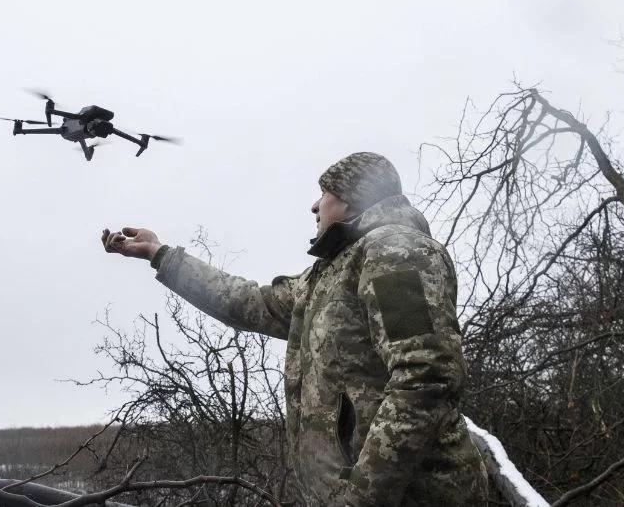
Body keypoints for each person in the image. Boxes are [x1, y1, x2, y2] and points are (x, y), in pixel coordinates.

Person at [101, 152, 491, 507]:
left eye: (323, 194)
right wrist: (159, 254)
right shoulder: (328, 275)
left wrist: (361, 497)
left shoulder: (396, 251)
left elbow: (426, 378)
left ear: (350, 199)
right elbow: (247, 301)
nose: (314, 206)